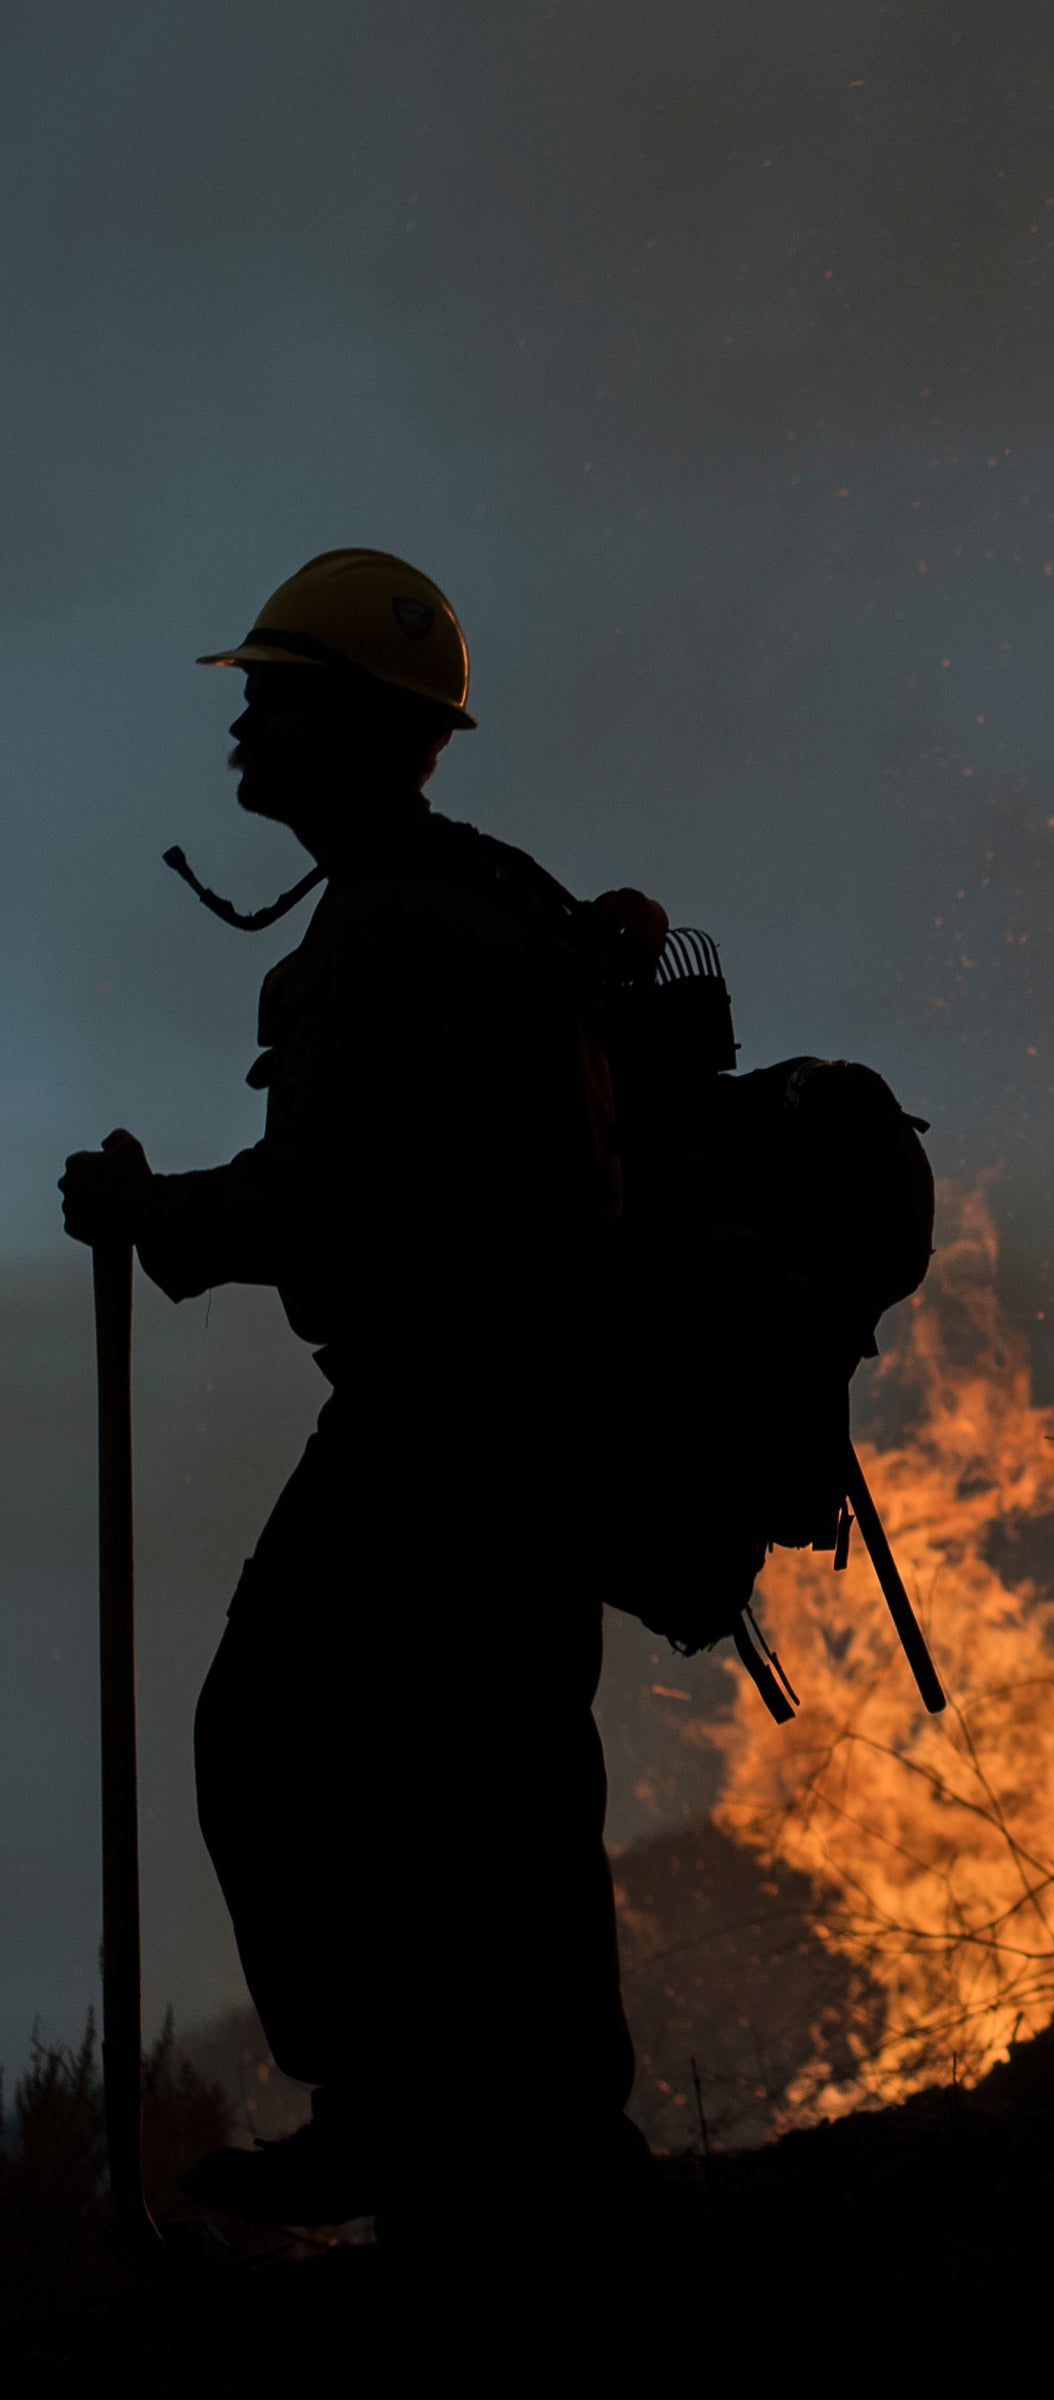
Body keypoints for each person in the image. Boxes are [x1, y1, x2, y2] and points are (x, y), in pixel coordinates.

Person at [58, 550, 646, 2244]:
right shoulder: (479, 890)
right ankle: (556, 2167)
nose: (242, 726)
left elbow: (338, 1194)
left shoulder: (393, 929)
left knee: (272, 1739)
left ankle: (393, 2118)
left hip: (442, 1418)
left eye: (273, 698)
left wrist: (156, 1213)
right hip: (539, 1415)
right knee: (505, 1782)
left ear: (356, 728)